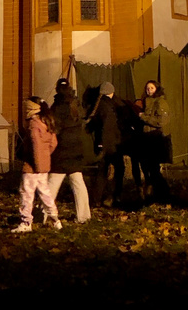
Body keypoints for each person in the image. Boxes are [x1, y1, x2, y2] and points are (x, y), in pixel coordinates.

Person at [13, 98, 62, 233]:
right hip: (44, 165)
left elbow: (36, 145)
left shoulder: (34, 124)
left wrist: (36, 163)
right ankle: (55, 219)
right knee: (45, 193)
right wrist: (45, 158)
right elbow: (53, 143)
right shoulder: (47, 121)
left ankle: (26, 222)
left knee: (26, 193)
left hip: (32, 166)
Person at [47, 78, 91, 224]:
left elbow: (54, 128)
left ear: (57, 89)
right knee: (78, 184)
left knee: (52, 185)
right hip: (76, 149)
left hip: (61, 150)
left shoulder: (57, 106)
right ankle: (84, 216)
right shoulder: (76, 104)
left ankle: (43, 215)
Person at [88, 83, 128, 207]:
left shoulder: (99, 106)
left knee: (102, 172)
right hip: (112, 145)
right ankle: (114, 196)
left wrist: (99, 144)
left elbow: (94, 126)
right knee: (118, 170)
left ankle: (97, 199)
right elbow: (108, 127)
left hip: (104, 144)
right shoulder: (111, 106)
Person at [138, 80, 171, 203]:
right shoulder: (146, 102)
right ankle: (155, 194)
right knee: (148, 168)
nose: (149, 90)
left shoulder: (160, 102)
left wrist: (143, 117)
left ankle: (163, 194)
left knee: (154, 169)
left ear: (156, 89)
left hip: (155, 138)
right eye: (147, 88)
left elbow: (161, 121)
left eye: (151, 88)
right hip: (146, 138)